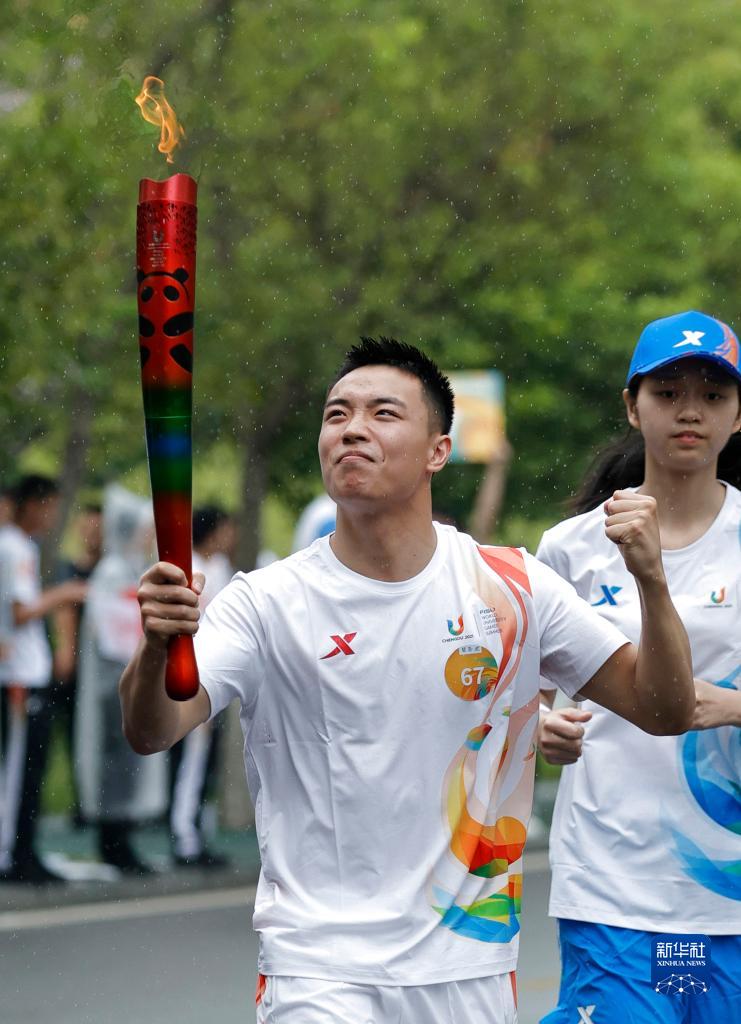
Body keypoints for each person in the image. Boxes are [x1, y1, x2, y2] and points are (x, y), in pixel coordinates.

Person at [120, 336, 694, 1024]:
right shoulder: (265, 601)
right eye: (337, 414)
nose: (353, 428)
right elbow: (153, 729)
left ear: (437, 450)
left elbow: (662, 709)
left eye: (383, 413)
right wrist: (157, 648)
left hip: (466, 963)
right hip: (317, 966)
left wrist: (652, 584)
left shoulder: (513, 589)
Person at [536, 310, 741, 1023]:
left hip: (730, 892)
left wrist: (733, 704)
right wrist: (537, 724)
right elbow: (510, 690)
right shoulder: (571, 549)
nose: (689, 411)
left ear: (738, 415)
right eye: (667, 392)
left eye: (713, 395)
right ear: (631, 406)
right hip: (613, 884)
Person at [0, 475, 87, 884]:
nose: (52, 516)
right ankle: (15, 853)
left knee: (28, 769)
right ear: (32, 505)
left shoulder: (19, 546)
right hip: (18, 675)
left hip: (24, 672)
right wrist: (64, 593)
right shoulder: (14, 545)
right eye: (49, 506)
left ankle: (22, 849)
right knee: (18, 771)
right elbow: (19, 613)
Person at [76, 485, 167, 874]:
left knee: (129, 765)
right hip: (111, 683)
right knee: (115, 764)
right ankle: (113, 841)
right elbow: (111, 633)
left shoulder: (131, 569)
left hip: (127, 678)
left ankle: (122, 837)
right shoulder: (113, 572)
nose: (148, 537)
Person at [168, 505, 234, 867]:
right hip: (193, 676)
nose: (231, 536)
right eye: (226, 529)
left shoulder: (222, 567)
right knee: (190, 759)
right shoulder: (190, 566)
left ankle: (195, 829)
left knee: (205, 762)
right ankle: (184, 835)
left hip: (216, 676)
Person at [51, 502, 103, 824]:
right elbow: (64, 613)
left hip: (105, 668)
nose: (92, 535)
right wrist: (66, 652)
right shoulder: (69, 570)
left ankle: (99, 801)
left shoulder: (112, 569)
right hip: (79, 669)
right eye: (88, 528)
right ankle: (84, 801)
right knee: (74, 735)